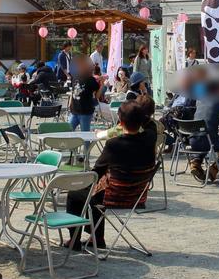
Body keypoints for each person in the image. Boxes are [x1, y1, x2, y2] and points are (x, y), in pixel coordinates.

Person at [63, 100, 156, 251]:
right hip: (137, 195)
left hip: (114, 196)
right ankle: (96, 238)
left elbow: (96, 173)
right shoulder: (150, 137)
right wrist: (137, 115)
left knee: (76, 194)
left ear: (121, 120)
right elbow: (149, 124)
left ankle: (75, 239)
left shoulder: (114, 144)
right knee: (97, 192)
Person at [68, 57, 99, 132]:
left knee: (85, 135)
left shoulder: (91, 80)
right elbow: (73, 92)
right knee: (67, 131)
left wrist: (103, 85)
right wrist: (70, 104)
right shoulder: (75, 77)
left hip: (85, 111)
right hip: (74, 111)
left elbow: (97, 95)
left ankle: (87, 144)